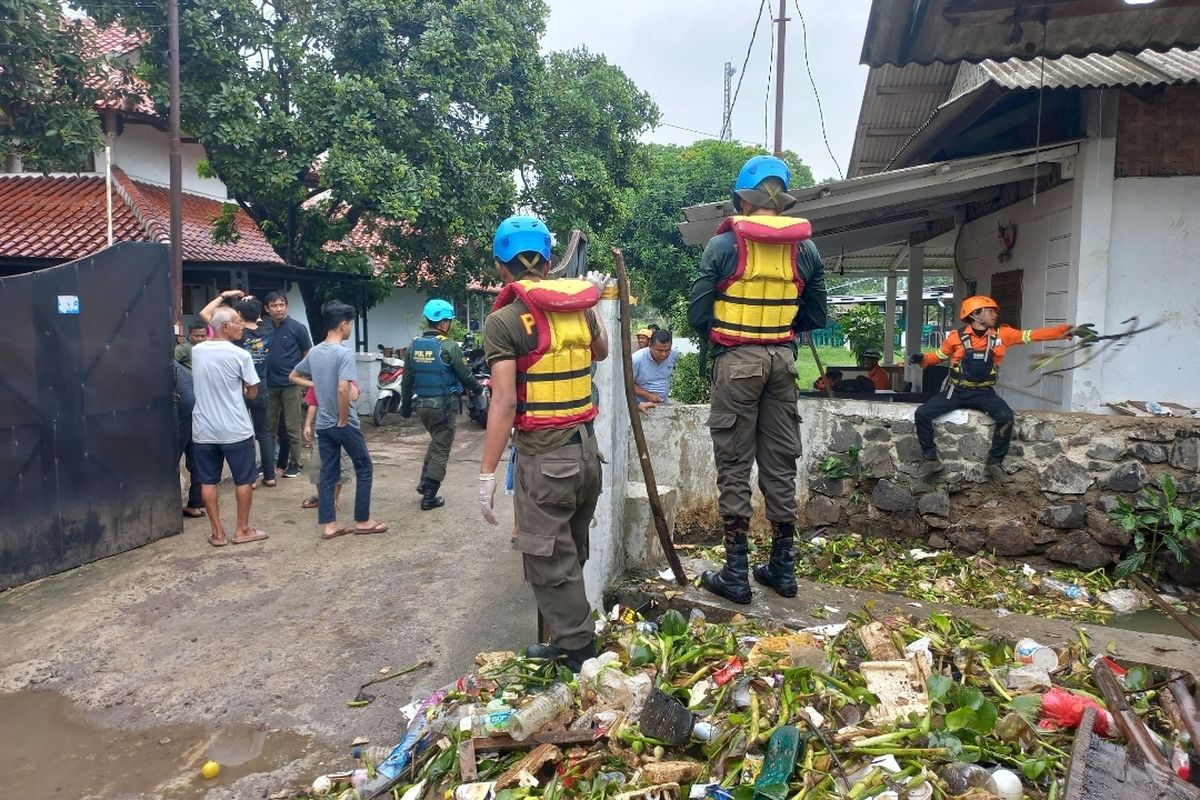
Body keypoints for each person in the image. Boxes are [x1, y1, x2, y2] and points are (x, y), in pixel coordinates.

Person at [687, 154, 827, 605]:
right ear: (782, 201)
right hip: (784, 363)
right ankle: (783, 570)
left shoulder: (723, 247)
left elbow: (697, 312)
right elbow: (816, 315)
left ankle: (736, 575)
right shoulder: (805, 250)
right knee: (781, 462)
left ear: (741, 200)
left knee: (733, 464)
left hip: (736, 361)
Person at [478, 214, 609, 671]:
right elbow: (602, 350)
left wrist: (487, 473)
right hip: (588, 453)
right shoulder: (579, 307)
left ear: (501, 267)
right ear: (549, 263)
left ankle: (578, 655)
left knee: (549, 561)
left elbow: (503, 404)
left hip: (547, 459)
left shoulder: (505, 320)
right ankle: (569, 640)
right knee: (571, 548)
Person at [909, 295, 1090, 482]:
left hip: (984, 393)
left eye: (995, 310)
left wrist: (1064, 331)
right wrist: (921, 359)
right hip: (956, 392)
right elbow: (938, 356)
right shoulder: (955, 337)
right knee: (922, 414)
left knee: (1006, 417)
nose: (995, 314)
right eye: (990, 310)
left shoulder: (1002, 335)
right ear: (976, 314)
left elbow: (1031, 335)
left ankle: (994, 463)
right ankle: (931, 460)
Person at [290, 301, 387, 539]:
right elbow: (344, 389)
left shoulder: (315, 352)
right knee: (364, 467)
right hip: (343, 423)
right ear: (344, 324)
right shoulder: (343, 352)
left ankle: (329, 525)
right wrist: (343, 418)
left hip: (323, 424)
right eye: (351, 324)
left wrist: (317, 384)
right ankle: (363, 520)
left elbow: (293, 376)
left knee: (327, 474)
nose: (350, 328)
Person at [190, 306, 269, 546]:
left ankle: (217, 533)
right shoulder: (240, 355)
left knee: (208, 481)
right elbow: (253, 392)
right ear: (225, 327)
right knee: (243, 480)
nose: (242, 325)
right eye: (237, 322)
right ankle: (242, 530)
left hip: (204, 428)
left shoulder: (197, 351)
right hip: (235, 428)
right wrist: (245, 391)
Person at [399, 298, 481, 510]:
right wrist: (479, 389)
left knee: (436, 441)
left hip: (422, 407)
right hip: (443, 407)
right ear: (444, 323)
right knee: (442, 446)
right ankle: (429, 495)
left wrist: (405, 407)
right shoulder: (449, 346)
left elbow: (407, 380)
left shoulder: (413, 346)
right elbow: (465, 375)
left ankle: (424, 481)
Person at [199, 291, 276, 486]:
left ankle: (249, 479)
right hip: (261, 386)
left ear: (239, 317)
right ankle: (270, 476)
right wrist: (252, 306)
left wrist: (225, 295)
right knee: (264, 433)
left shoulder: (240, 335)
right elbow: (257, 318)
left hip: (240, 389)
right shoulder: (267, 329)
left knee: (245, 432)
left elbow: (206, 314)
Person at [263, 290, 312, 479]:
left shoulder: (297, 328)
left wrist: (306, 380)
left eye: (281, 304)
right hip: (269, 384)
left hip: (292, 384)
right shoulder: (265, 329)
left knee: (292, 425)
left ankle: (296, 463)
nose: (278, 309)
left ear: (286, 306)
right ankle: (269, 464)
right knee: (269, 427)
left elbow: (308, 353)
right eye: (274, 306)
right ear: (267, 309)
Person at [300, 382, 357, 511]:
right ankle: (324, 498)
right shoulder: (318, 378)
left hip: (343, 431)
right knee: (318, 467)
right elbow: (313, 403)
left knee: (340, 468)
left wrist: (344, 381)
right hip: (323, 431)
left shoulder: (346, 378)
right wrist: (307, 424)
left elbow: (354, 396)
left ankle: (334, 498)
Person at [173, 360, 205, 518]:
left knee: (169, 459)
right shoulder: (174, 365)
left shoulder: (158, 365)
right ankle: (196, 504)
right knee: (195, 457)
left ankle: (168, 508)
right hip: (196, 408)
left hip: (182, 410)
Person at [632, 329, 681, 412]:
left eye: (667, 350)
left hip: (664, 406)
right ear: (650, 346)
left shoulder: (674, 355)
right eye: (659, 350)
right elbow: (626, 384)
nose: (664, 354)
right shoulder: (637, 359)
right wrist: (647, 395)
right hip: (642, 407)